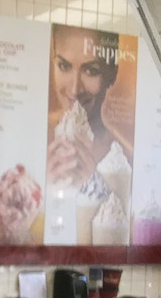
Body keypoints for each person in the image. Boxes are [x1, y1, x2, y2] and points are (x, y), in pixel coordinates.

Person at [46, 25, 133, 190]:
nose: (74, 90)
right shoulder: (34, 135)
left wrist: (93, 187)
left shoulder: (126, 159)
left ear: (112, 74)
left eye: (91, 71)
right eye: (64, 66)